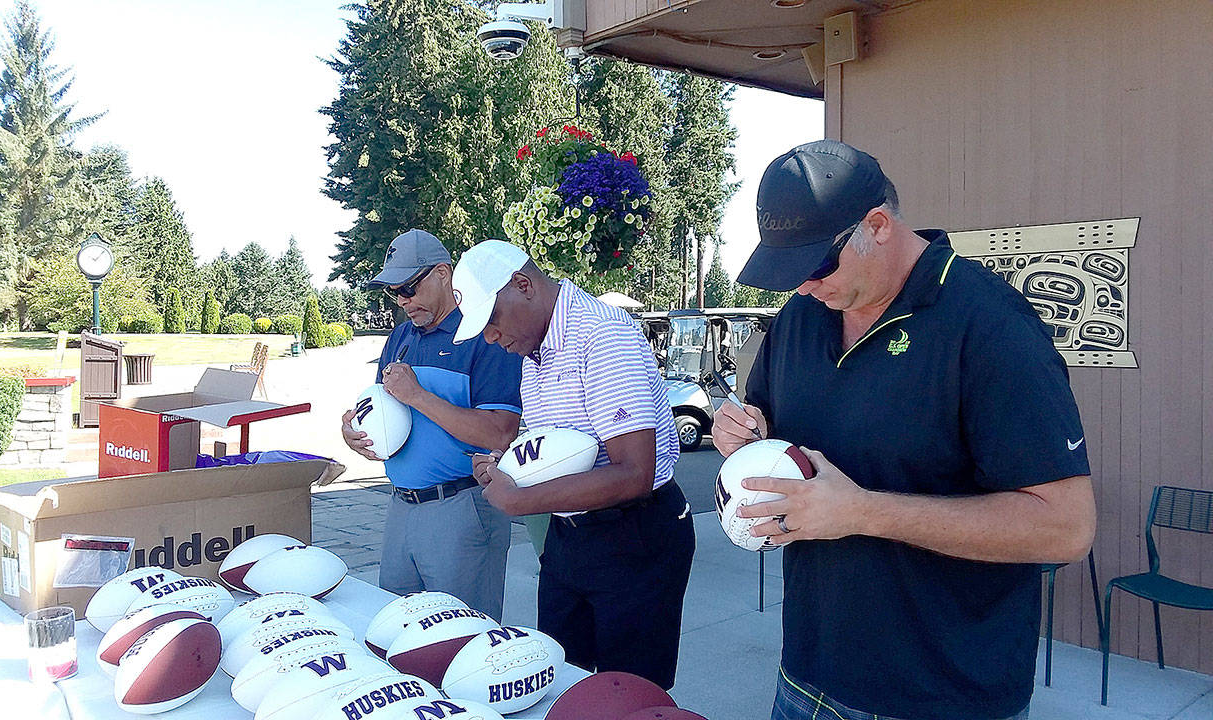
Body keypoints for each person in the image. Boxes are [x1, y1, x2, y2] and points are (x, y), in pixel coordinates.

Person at [712, 140, 1096, 720]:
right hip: (805, 679)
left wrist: (863, 511)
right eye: (787, 271)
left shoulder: (990, 326)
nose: (802, 286)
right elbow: (769, 427)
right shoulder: (800, 317)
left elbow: (1065, 527)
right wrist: (741, 434)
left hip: (943, 697)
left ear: (878, 225)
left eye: (816, 265)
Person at [452, 240, 695, 690]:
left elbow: (634, 473)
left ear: (523, 285)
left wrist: (520, 498)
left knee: (629, 697)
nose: (490, 337)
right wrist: (511, 465)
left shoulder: (601, 335)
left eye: (491, 321)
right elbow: (559, 447)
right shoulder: (534, 349)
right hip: (571, 538)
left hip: (636, 537)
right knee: (560, 683)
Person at [340, 229, 522, 621]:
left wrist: (419, 396)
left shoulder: (484, 333)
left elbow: (500, 433)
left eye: (409, 287)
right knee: (395, 633)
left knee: (463, 639)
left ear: (443, 274)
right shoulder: (401, 336)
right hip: (401, 506)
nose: (404, 301)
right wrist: (355, 433)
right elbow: (382, 408)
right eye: (395, 292)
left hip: (462, 506)